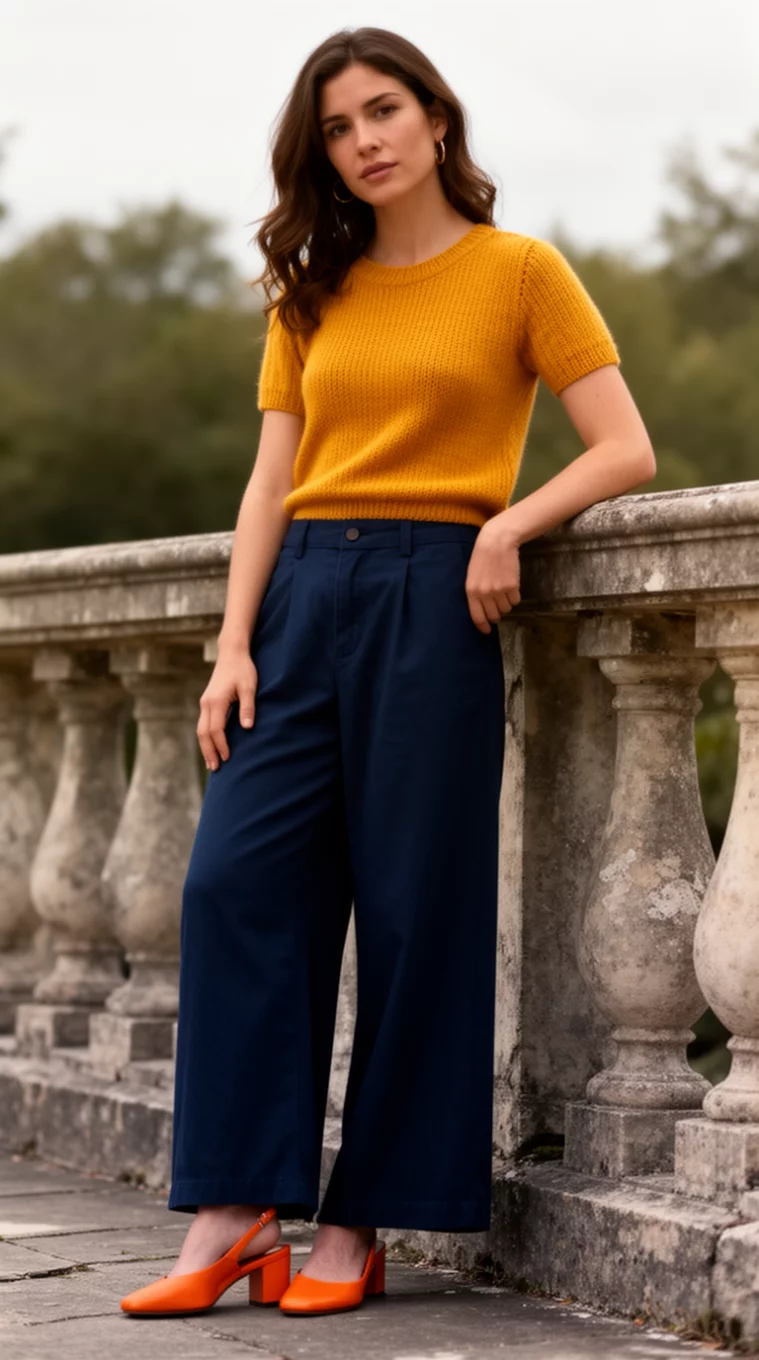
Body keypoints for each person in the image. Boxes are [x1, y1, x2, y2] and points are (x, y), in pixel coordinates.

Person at [120, 25, 656, 1321]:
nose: (362, 141)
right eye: (337, 128)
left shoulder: (519, 271)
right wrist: (230, 642)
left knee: (416, 913)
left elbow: (624, 448)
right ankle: (234, 1209)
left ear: (432, 118)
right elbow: (268, 479)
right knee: (232, 883)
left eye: (380, 111)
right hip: (301, 595)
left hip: (433, 597)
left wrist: (505, 524)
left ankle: (355, 1221)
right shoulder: (312, 291)